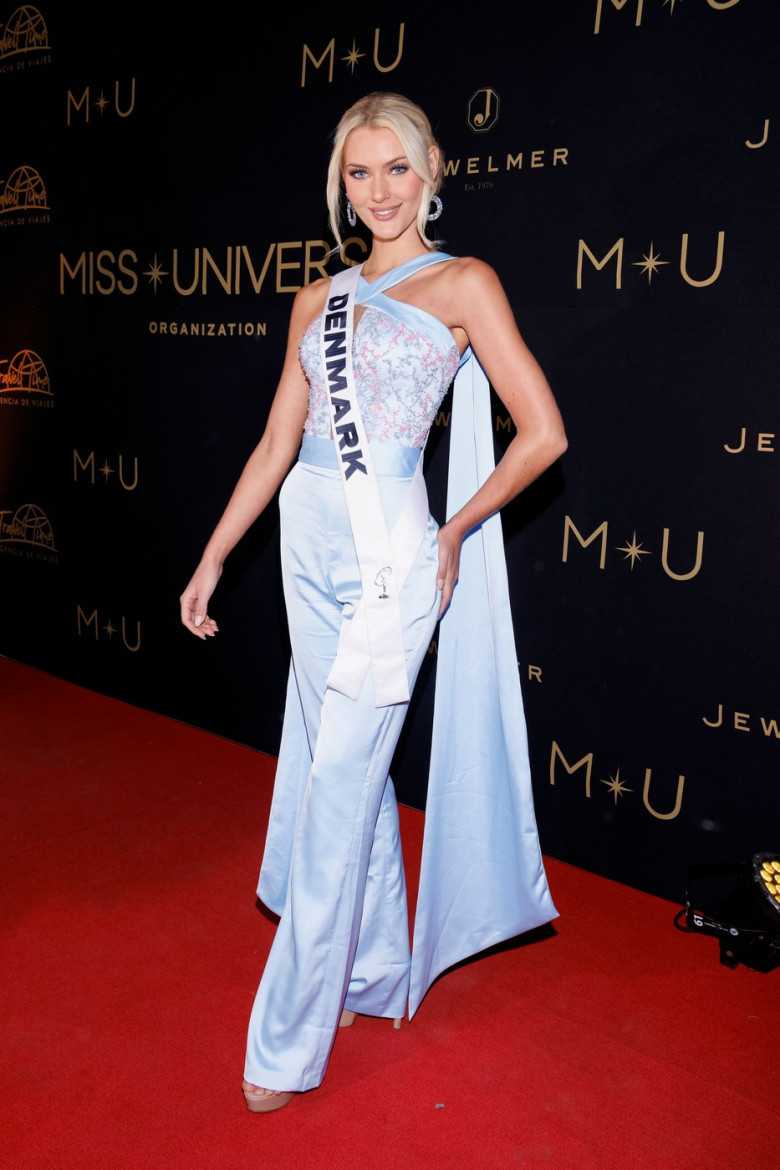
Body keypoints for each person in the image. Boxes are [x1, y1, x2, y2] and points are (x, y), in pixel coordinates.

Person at [179, 91, 567, 1114]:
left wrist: (453, 528)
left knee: (334, 788)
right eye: (360, 172)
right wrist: (216, 556)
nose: (380, 190)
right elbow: (275, 446)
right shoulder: (316, 299)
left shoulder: (463, 282)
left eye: (398, 168)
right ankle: (369, 971)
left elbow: (544, 435)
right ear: (340, 185)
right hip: (305, 544)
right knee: (333, 761)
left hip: (393, 553)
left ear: (433, 168)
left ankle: (287, 1037)